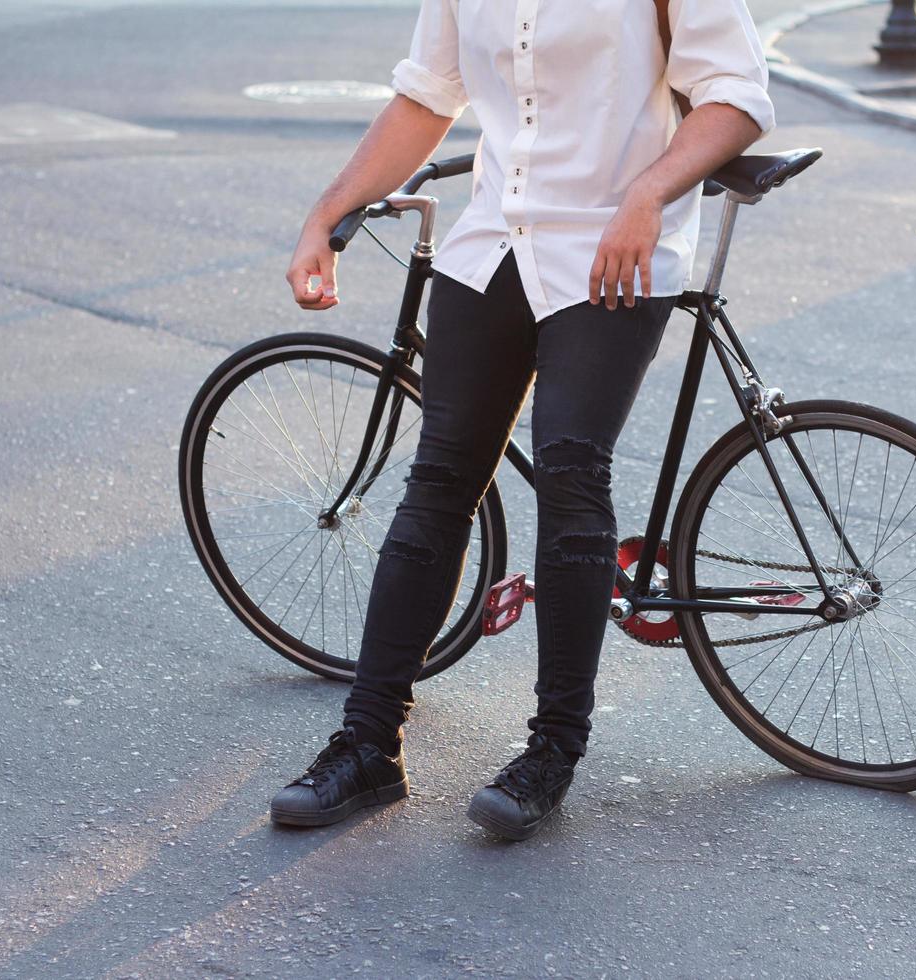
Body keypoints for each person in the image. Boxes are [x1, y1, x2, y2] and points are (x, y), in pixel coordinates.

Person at [271, 0, 775, 841]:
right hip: (491, 246)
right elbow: (427, 98)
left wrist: (650, 192)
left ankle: (551, 750)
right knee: (438, 481)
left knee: (573, 471)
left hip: (614, 250)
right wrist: (325, 215)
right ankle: (367, 746)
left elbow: (738, 96)